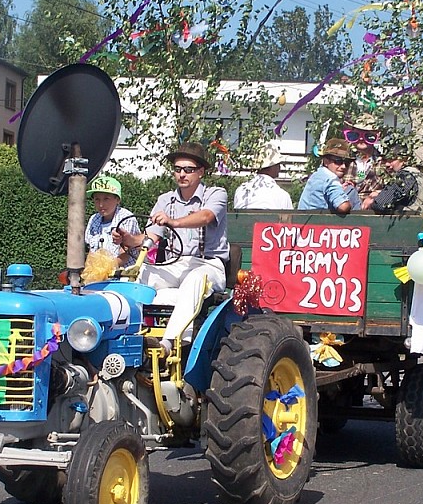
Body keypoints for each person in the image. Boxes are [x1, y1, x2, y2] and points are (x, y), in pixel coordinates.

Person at [114, 142, 229, 357]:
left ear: (201, 172)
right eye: (178, 169)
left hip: (209, 264)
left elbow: (206, 217)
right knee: (135, 275)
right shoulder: (165, 200)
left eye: (188, 169)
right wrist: (128, 239)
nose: (182, 174)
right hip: (175, 265)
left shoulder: (216, 194)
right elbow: (150, 237)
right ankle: (126, 337)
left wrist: (174, 222)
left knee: (195, 279)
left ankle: (168, 344)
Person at [84, 176, 141, 267]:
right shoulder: (93, 219)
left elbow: (125, 253)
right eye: (97, 199)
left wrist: (106, 269)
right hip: (100, 271)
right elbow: (92, 252)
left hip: (126, 272)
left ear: (117, 200)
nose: (101, 204)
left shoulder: (126, 218)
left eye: (106, 199)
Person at [361, 144, 423, 214]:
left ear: (404, 159)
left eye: (391, 159)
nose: (387, 164)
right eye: (385, 160)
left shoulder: (404, 176)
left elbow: (380, 204)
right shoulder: (416, 173)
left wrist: (373, 200)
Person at [297, 137, 354, 213]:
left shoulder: (317, 175)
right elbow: (343, 206)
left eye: (347, 162)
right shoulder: (330, 178)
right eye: (338, 161)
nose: (343, 166)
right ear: (326, 161)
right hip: (317, 220)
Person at [233, 143, 293, 209]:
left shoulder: (241, 191)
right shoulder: (282, 196)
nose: (280, 167)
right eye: (278, 164)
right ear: (272, 166)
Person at [342, 120, 384, 203]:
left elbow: (393, 188)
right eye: (355, 135)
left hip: (371, 209)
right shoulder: (342, 160)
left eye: (368, 136)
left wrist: (379, 193)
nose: (361, 139)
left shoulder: (384, 162)